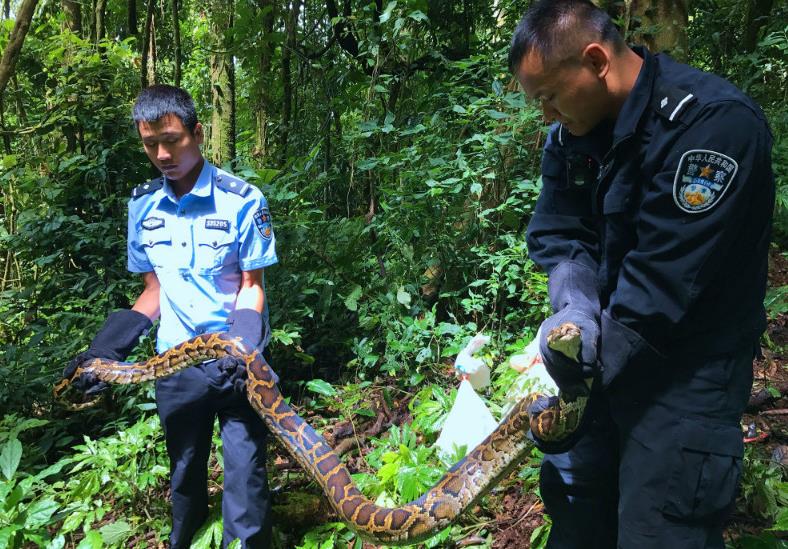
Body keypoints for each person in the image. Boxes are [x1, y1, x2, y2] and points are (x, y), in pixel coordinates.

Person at [509, 1, 774, 547]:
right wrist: (575, 307)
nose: (546, 117)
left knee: (658, 529)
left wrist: (585, 366)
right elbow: (560, 234)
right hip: (605, 355)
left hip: (685, 376)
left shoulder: (712, 127)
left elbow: (661, 286)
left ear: (596, 60)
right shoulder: (573, 136)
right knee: (579, 517)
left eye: (551, 97)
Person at [63, 85, 278, 548]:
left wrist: (242, 347)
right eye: (149, 143)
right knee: (184, 474)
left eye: (173, 139)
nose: (162, 153)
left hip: (237, 364)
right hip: (174, 365)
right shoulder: (142, 205)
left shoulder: (242, 199)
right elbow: (153, 291)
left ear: (197, 133)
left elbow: (251, 286)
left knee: (246, 478)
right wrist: (107, 347)